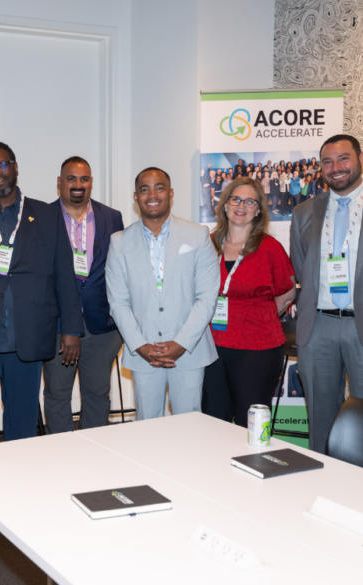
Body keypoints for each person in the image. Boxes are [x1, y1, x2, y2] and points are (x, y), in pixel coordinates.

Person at [0, 141, 83, 521]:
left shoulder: (47, 215)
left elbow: (65, 273)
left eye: (3, 164)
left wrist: (71, 329)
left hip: (29, 333)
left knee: (22, 418)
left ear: (16, 167)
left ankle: (19, 486)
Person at [106, 167, 219, 420]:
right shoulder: (119, 242)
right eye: (144, 189)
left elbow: (207, 296)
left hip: (189, 352)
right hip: (144, 352)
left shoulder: (198, 235)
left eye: (159, 187)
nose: (152, 194)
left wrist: (181, 343)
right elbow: (118, 302)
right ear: (136, 197)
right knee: (148, 428)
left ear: (171, 193)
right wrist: (139, 345)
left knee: (189, 427)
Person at [201, 178, 296, 426]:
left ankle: (253, 465)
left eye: (250, 201)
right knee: (213, 421)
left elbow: (287, 293)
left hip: (257, 349)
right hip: (211, 347)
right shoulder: (208, 243)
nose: (241, 206)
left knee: (250, 424)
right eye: (236, 199)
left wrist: (260, 316)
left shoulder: (270, 247)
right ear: (225, 205)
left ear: (258, 210)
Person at [291, 134, 363, 453]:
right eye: (327, 162)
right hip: (318, 326)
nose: (335, 168)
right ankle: (323, 486)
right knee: (321, 419)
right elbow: (300, 265)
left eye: (343, 158)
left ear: (359, 159)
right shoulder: (305, 211)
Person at [42, 157, 124, 433]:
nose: (78, 185)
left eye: (84, 179)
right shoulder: (42, 217)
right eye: (71, 179)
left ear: (91, 182)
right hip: (57, 327)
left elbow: (119, 270)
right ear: (59, 183)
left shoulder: (111, 217)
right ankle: (62, 460)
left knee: (98, 396)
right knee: (57, 396)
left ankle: (95, 459)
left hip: (100, 327)